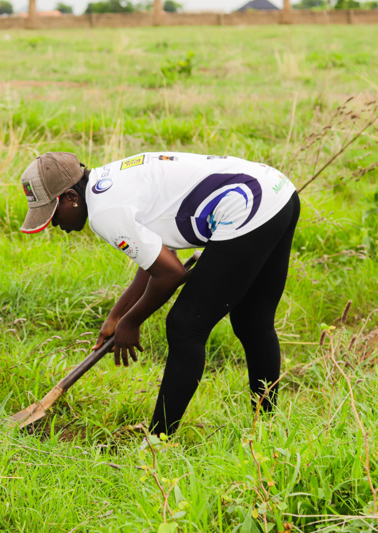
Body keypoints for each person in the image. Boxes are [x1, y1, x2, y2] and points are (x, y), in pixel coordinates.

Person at [19, 152, 299, 436]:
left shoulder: (104, 213)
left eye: (52, 214)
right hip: (278, 191)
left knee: (185, 326)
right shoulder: (108, 179)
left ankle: (158, 441)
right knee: (253, 321)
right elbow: (156, 259)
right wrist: (117, 315)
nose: (54, 224)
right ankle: (267, 428)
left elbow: (170, 275)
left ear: (70, 197)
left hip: (248, 207)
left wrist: (131, 322)